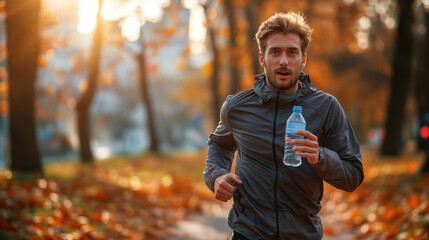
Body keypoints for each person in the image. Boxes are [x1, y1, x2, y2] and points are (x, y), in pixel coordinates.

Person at [203, 12, 364, 240]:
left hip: (303, 234)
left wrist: (320, 157)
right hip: (247, 233)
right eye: (275, 52)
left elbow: (353, 176)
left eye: (292, 52)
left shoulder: (326, 107)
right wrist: (216, 176)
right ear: (262, 58)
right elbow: (219, 145)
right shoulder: (237, 107)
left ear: (303, 59)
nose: (284, 61)